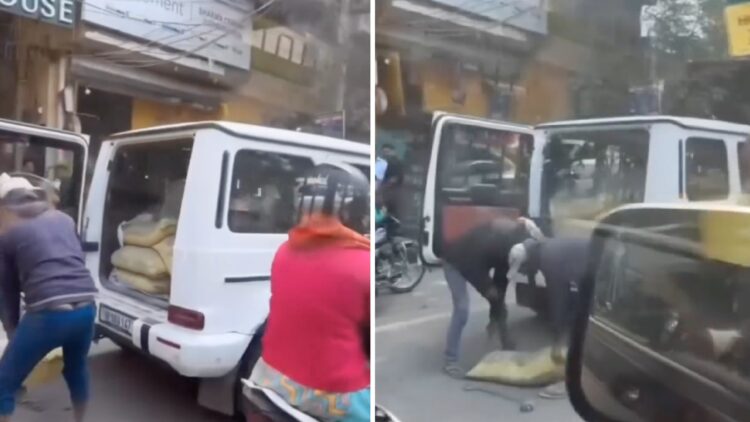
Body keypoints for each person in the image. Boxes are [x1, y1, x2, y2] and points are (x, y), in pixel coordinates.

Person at [249, 163, 370, 422]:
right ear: (354, 210)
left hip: (269, 378)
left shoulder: (284, 251)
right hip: (334, 395)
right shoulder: (363, 264)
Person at [0, 175, 98, 422]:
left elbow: (7, 292)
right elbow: (73, 260)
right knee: (76, 369)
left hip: (49, 314)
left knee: (3, 383)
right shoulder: (64, 219)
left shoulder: (7, 232)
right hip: (86, 306)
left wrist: (13, 332)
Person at [440, 217, 545, 377]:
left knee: (498, 299)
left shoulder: (514, 246)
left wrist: (496, 309)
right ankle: (450, 360)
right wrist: (487, 288)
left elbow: (501, 282)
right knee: (462, 309)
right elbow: (472, 267)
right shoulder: (494, 243)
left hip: (474, 262)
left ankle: (505, 343)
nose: (522, 271)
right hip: (455, 262)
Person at [379, 144, 404, 219]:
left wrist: (384, 186)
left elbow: (396, 178)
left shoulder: (396, 163)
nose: (386, 154)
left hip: (392, 193)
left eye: (387, 152)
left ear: (393, 152)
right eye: (384, 152)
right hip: (386, 193)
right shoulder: (383, 163)